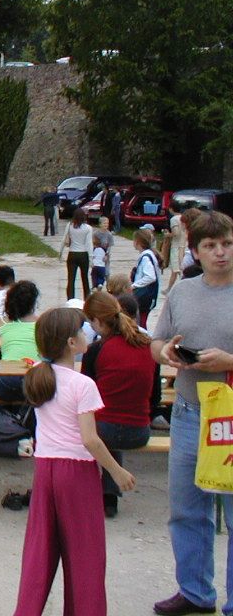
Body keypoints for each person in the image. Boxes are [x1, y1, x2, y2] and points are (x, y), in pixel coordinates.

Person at [13, 308, 135, 616]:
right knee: (85, 555)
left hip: (45, 468)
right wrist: (116, 471)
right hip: (76, 470)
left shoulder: (38, 375)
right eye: (81, 330)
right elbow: (90, 439)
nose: (86, 334)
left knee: (39, 553)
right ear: (71, 342)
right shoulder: (83, 385)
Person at [151, 210, 233, 616]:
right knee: (187, 508)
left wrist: (229, 360)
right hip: (188, 411)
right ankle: (196, 592)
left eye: (227, 244)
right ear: (196, 252)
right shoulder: (183, 291)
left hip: (230, 414)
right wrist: (165, 352)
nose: (221, 252)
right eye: (211, 246)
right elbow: (156, 341)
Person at [80, 291, 155, 518]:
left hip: (105, 428)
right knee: (111, 418)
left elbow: (85, 397)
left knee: (93, 427)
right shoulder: (148, 345)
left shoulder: (96, 350)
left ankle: (89, 492)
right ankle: (109, 497)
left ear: (97, 321)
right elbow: (156, 397)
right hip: (140, 430)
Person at [59, 207, 94, 300]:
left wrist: (60, 252)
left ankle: (70, 299)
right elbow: (89, 244)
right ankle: (86, 299)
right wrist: (91, 258)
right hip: (83, 254)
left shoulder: (70, 225)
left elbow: (64, 239)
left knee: (71, 279)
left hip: (72, 254)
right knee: (85, 278)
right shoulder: (88, 228)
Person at [132, 227, 163, 329]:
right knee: (141, 321)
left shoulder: (145, 257)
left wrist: (134, 285)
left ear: (138, 242)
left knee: (141, 323)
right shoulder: (150, 254)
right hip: (148, 296)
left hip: (144, 296)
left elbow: (150, 277)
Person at [164, 210, 186, 295]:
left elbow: (176, 233)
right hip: (185, 244)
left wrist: (167, 235)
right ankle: (170, 288)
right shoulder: (184, 218)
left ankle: (170, 289)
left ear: (171, 209)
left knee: (175, 269)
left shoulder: (174, 219)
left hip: (176, 246)